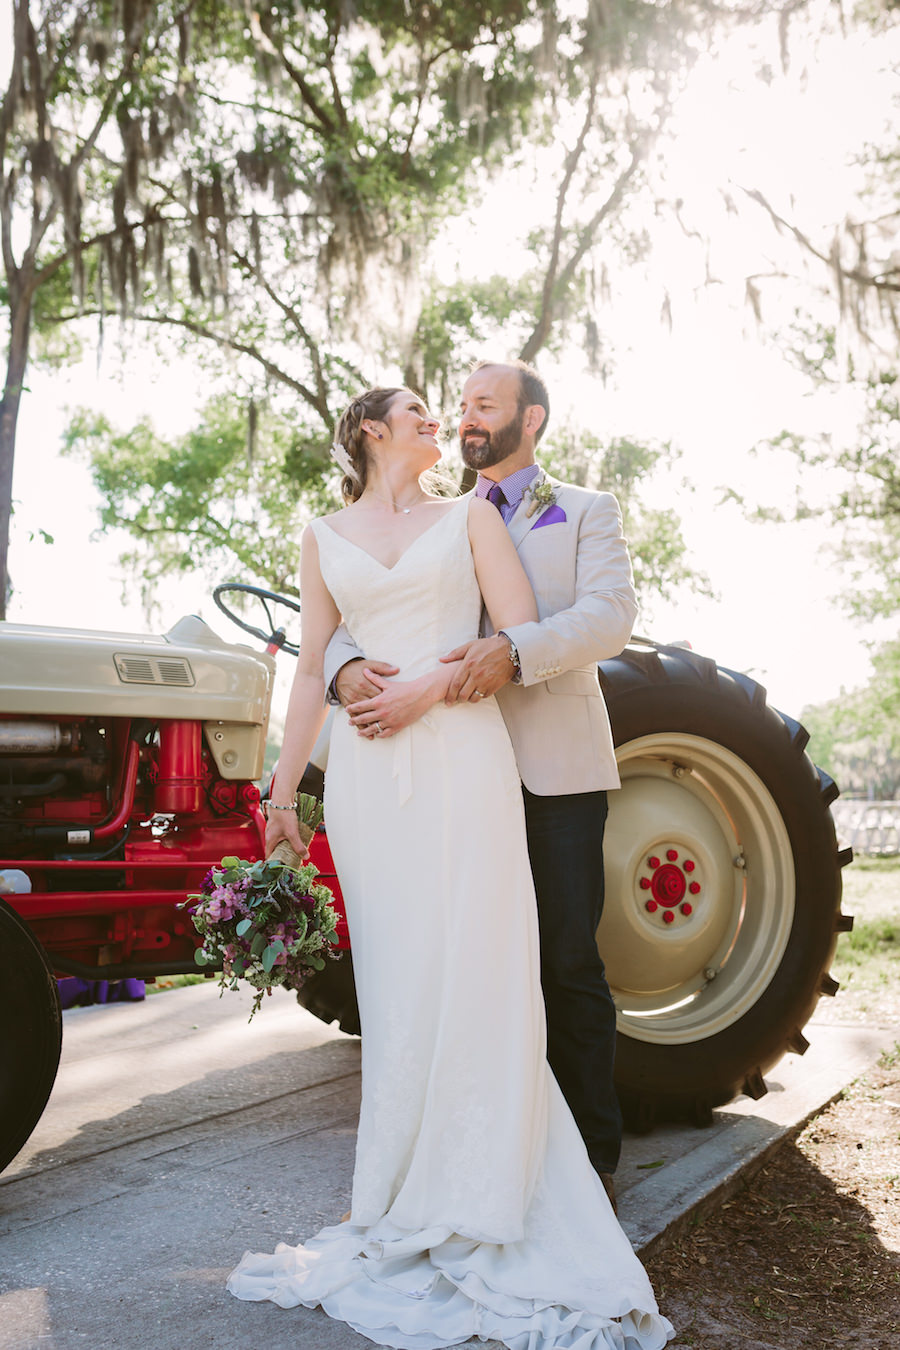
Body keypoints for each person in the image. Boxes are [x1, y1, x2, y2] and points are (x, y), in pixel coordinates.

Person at [227, 384, 672, 1349]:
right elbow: (315, 661)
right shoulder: (321, 533)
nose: (447, 417)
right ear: (372, 432)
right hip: (371, 776)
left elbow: (515, 634)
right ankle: (394, 1186)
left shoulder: (490, 514)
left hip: (473, 754)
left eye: (466, 404)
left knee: (507, 967)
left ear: (527, 418)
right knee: (397, 980)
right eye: (427, 407)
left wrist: (432, 682)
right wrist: (283, 792)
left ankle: (519, 1173)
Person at [327, 360, 636, 1210]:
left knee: (566, 958)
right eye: (458, 406)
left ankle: (589, 1165)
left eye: (484, 406)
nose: (465, 419)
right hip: (451, 770)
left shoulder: (584, 511)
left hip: (552, 764)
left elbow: (611, 617)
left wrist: (518, 650)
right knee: (462, 960)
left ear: (531, 420)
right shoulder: (431, 516)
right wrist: (343, 662)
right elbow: (359, 605)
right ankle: (481, 1153)